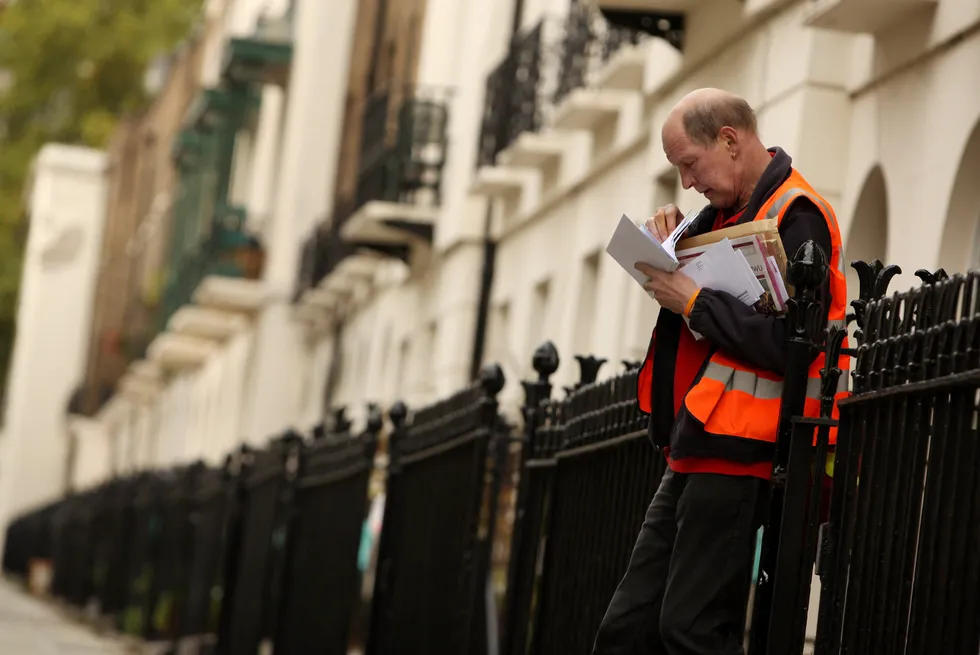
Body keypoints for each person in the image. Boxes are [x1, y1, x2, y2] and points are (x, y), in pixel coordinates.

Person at [592, 88, 848, 655]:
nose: (687, 182)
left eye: (690, 164)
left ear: (729, 140)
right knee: (627, 631)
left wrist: (693, 300)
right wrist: (671, 246)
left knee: (691, 631)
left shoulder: (797, 213)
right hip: (700, 441)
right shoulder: (727, 214)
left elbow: (797, 346)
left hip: (748, 451)